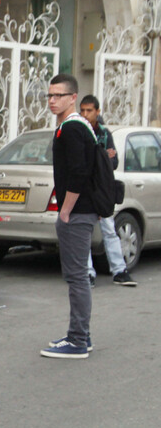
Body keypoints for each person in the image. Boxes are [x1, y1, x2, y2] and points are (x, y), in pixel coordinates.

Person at [40, 74, 97, 359]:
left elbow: (79, 172)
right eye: (50, 95)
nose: (52, 101)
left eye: (58, 96)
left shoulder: (73, 128)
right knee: (78, 277)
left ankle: (77, 341)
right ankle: (81, 335)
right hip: (81, 212)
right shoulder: (75, 127)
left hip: (78, 213)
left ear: (72, 97)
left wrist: (65, 211)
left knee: (77, 278)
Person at [78, 95, 136, 288]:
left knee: (110, 230)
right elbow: (83, 162)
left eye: (89, 111)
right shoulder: (78, 130)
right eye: (83, 110)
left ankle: (119, 271)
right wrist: (102, 156)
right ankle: (87, 274)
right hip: (85, 189)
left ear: (97, 111)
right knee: (85, 233)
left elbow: (113, 162)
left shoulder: (104, 133)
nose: (85, 114)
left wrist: (102, 157)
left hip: (102, 189)